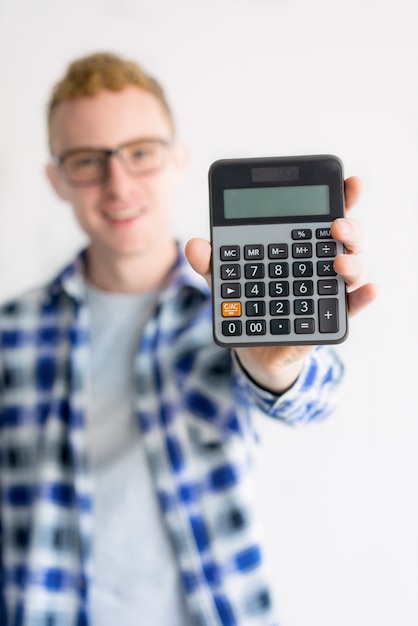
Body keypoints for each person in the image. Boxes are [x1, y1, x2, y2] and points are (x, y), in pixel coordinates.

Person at [0, 52, 376, 626]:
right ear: (56, 179)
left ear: (179, 161)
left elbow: (317, 396)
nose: (118, 183)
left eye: (141, 153)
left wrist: (276, 366)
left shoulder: (230, 309)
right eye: (86, 160)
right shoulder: (10, 334)